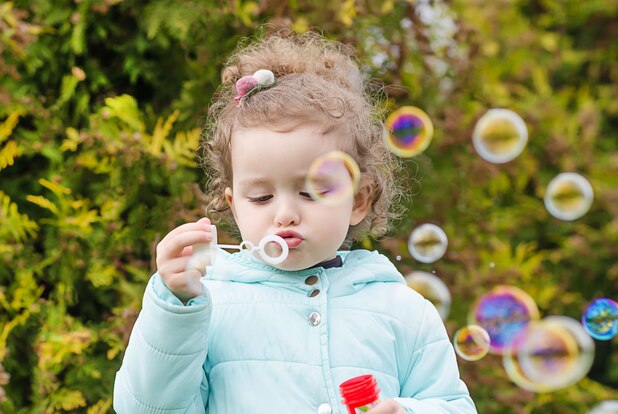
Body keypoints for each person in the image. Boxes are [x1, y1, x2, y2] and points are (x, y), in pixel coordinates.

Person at [113, 31, 477, 414]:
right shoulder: (210, 303)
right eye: (261, 197)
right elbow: (146, 408)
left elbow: (452, 406)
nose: (284, 213)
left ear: (357, 200)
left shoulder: (402, 310)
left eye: (310, 192)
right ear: (234, 206)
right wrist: (175, 307)